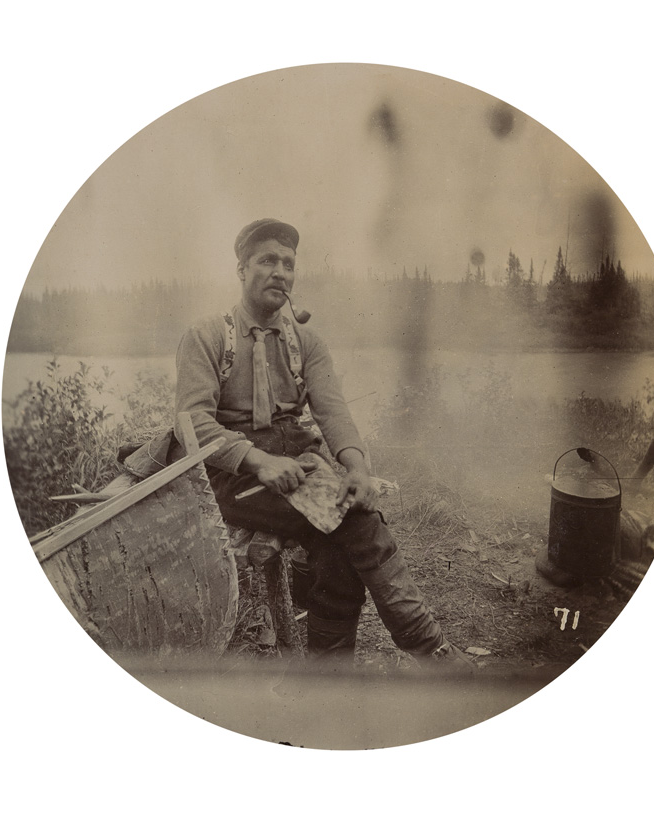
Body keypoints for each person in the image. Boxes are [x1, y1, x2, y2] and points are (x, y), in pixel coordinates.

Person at [174, 218, 474, 671]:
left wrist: (355, 466)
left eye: (289, 264)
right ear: (241, 269)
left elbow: (333, 412)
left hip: (299, 469)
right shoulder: (208, 336)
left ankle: (328, 679)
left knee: (339, 540)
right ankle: (428, 647)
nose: (280, 272)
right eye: (267, 260)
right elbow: (191, 421)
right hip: (232, 478)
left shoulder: (307, 342)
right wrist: (257, 461)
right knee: (353, 519)